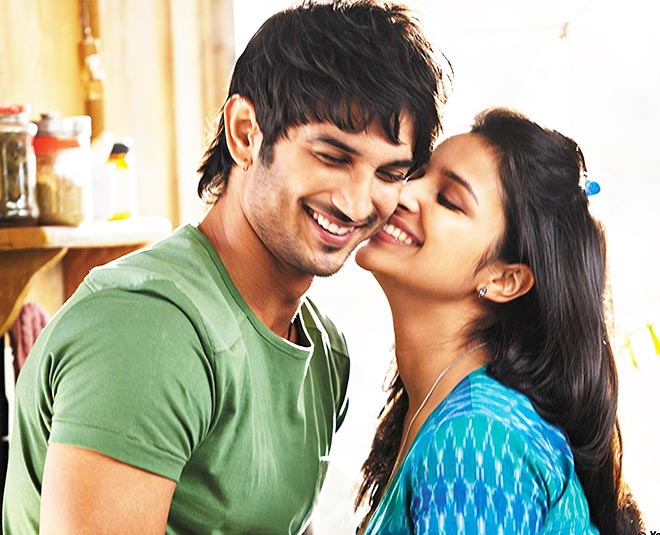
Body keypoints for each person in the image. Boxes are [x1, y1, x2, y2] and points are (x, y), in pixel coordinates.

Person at [2, 2, 450, 534]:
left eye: (389, 174)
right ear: (245, 134)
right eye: (333, 157)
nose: (356, 203)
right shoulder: (151, 329)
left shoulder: (326, 353)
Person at [354, 108, 645, 534]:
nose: (403, 192)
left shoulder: (476, 441)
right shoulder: (451, 414)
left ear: (505, 279)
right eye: (417, 173)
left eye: (448, 199)